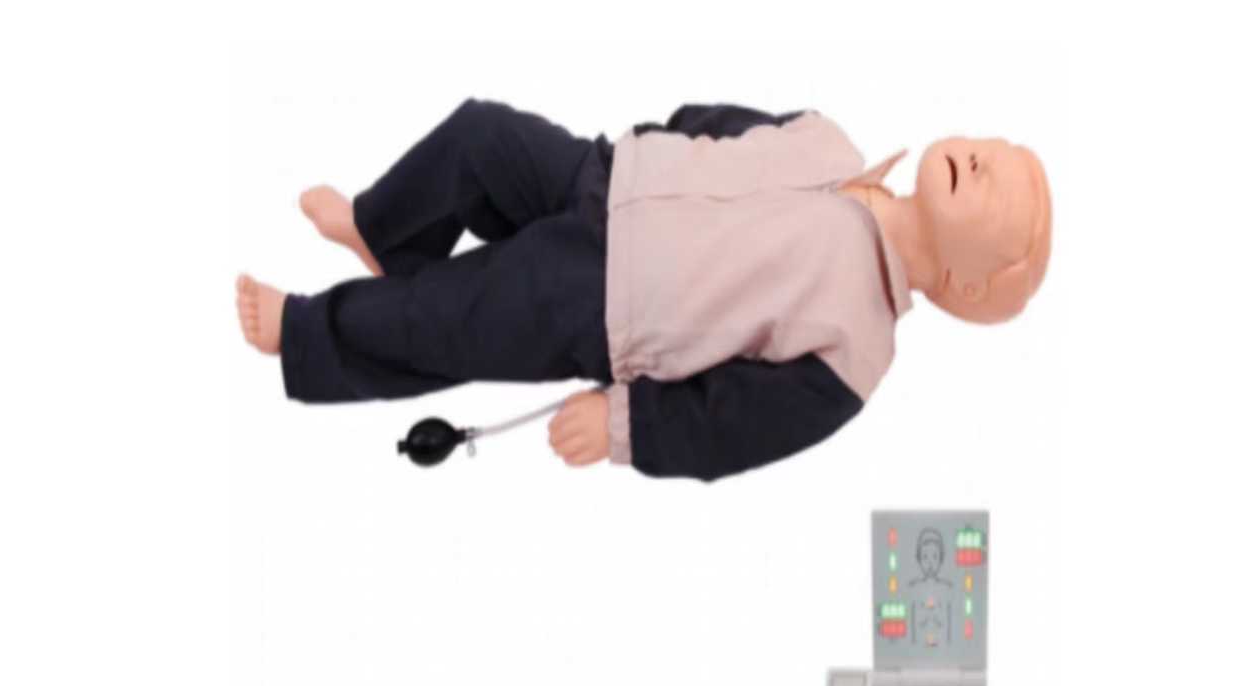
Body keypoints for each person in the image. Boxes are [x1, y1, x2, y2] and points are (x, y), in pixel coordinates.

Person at [235, 99, 1051, 481]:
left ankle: (304, 335)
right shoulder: (831, 139)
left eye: (996, 194)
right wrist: (653, 143)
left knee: (452, 314)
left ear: (965, 286)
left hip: (605, 298)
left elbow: (731, 425)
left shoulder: (855, 347)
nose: (980, 160)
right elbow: (723, 124)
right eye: (992, 149)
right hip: (604, 175)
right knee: (480, 137)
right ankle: (382, 232)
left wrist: (624, 425)